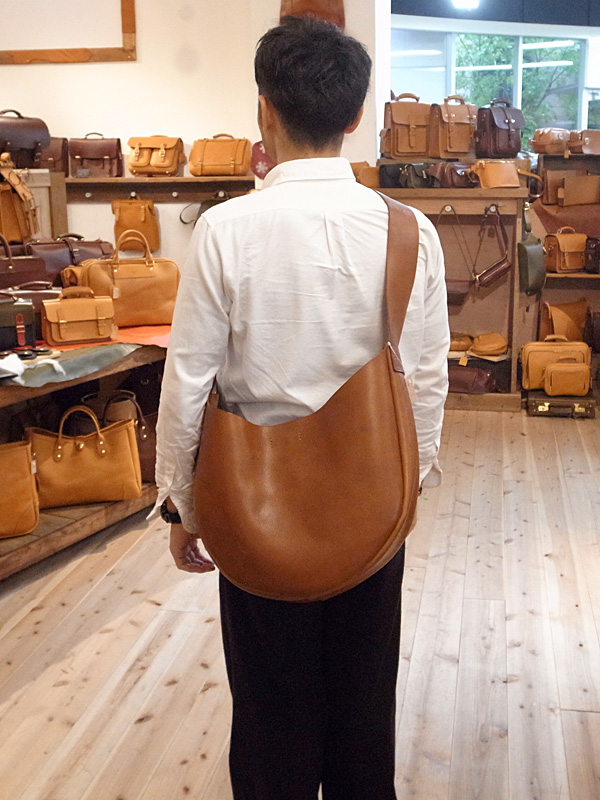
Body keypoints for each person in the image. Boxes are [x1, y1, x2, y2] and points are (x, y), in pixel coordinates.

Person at [154, 15, 449, 800]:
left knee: (269, 715)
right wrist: (411, 486)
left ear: (264, 110)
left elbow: (187, 380)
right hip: (375, 496)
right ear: (355, 116)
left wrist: (182, 504)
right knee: (364, 710)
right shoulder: (408, 231)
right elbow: (425, 377)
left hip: (252, 501)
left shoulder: (224, 229)